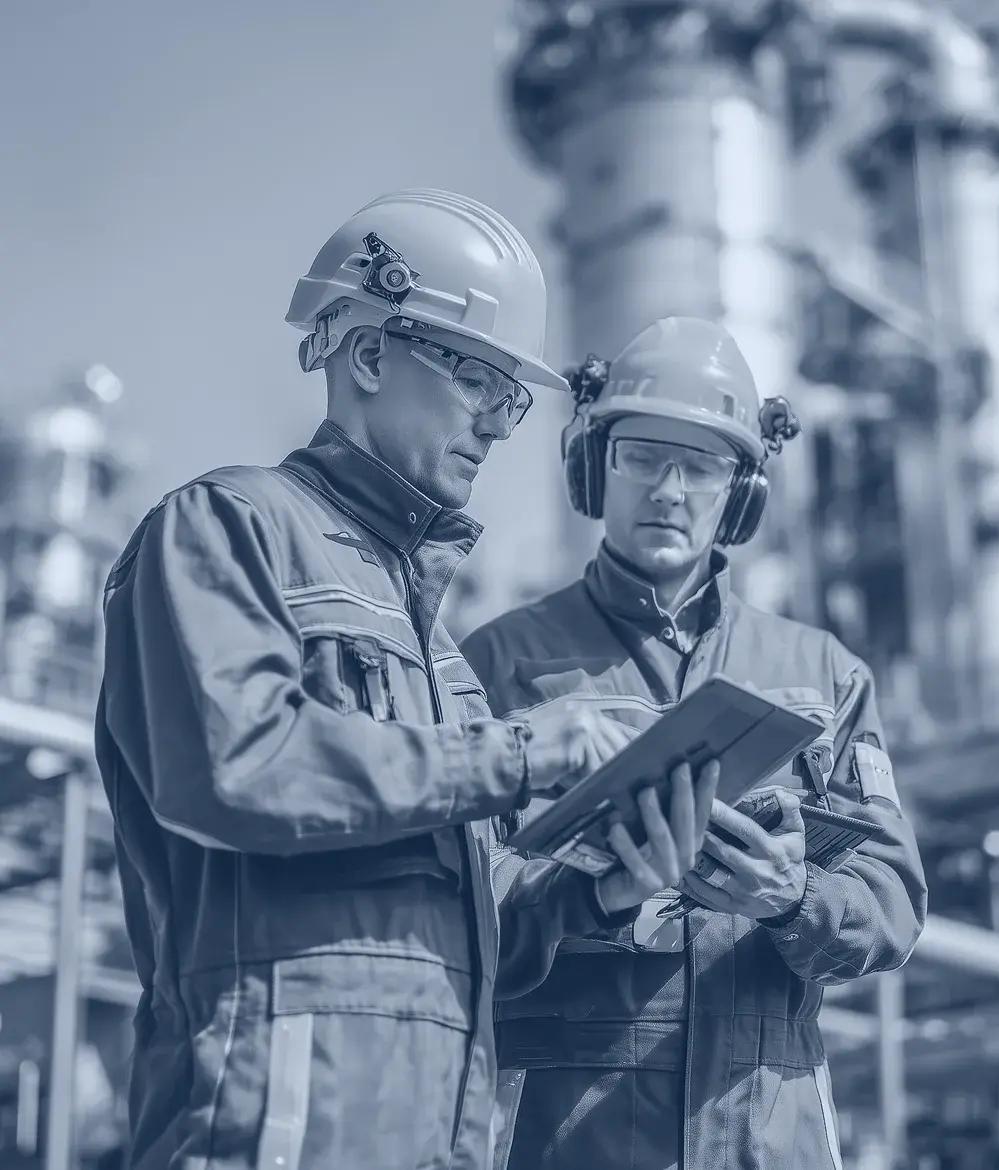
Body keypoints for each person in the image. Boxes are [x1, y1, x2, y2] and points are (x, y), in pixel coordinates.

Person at [94, 194, 715, 1170]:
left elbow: (485, 939)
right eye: (480, 380)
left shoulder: (447, 665)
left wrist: (606, 889)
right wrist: (532, 749)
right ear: (371, 355)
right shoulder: (226, 529)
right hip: (273, 1123)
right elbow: (236, 763)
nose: (501, 425)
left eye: (514, 401)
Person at [461, 317, 929, 1170]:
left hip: (768, 1130)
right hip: (567, 1133)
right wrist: (588, 890)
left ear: (742, 492)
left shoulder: (824, 672)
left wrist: (795, 897)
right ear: (593, 466)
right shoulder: (494, 663)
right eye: (642, 455)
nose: (669, 489)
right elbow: (449, 913)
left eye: (703, 465)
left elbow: (893, 899)